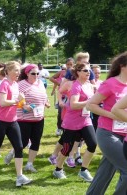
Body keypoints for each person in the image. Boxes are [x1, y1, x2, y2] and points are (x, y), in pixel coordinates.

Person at [86, 52, 127, 195]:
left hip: (125, 136)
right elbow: (91, 105)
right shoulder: (110, 83)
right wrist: (113, 115)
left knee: (104, 173)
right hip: (108, 133)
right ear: (122, 66)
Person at [53, 62, 97, 182]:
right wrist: (89, 102)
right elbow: (73, 105)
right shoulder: (76, 86)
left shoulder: (88, 85)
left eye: (89, 71)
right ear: (78, 73)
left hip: (85, 119)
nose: (88, 72)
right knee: (67, 148)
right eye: (85, 71)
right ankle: (58, 169)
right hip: (72, 121)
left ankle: (83, 171)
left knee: (92, 144)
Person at [4, 64, 50, 172]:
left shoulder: (40, 83)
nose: (36, 75)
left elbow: (44, 95)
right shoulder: (21, 84)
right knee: (23, 142)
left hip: (38, 117)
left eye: (38, 73)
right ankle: (12, 152)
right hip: (24, 118)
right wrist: (24, 106)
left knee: (36, 141)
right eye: (33, 73)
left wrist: (46, 102)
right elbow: (15, 99)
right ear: (27, 74)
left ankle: (29, 164)